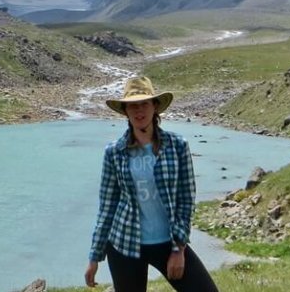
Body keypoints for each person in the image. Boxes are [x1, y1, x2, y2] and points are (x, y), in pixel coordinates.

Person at [84, 76, 219, 291]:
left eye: (144, 103)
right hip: (124, 243)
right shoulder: (114, 152)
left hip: (168, 242)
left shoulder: (177, 146)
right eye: (132, 106)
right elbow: (107, 207)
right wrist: (94, 257)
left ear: (155, 107)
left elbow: (185, 200)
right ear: (125, 111)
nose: (139, 111)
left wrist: (178, 249)